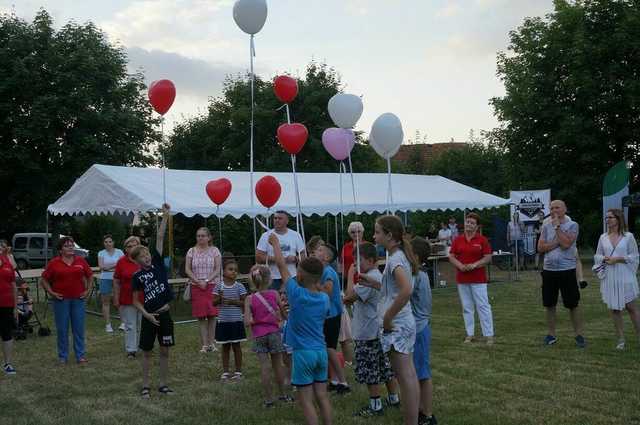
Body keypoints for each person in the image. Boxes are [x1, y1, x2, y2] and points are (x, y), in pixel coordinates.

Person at [269, 233, 333, 425]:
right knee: (322, 396)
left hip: (303, 354)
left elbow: (281, 265)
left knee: (305, 400)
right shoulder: (324, 299)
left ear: (301, 275)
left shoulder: (296, 294)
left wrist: (275, 244)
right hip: (321, 352)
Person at [343, 242, 399, 418]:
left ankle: (375, 405)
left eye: (357, 260)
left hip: (367, 333)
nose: (355, 264)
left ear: (370, 260)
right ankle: (393, 398)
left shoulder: (370, 278)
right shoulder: (375, 276)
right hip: (377, 331)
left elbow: (349, 297)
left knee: (370, 370)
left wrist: (350, 275)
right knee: (385, 367)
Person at [373, 215, 420, 425]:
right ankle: (412, 419)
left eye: (377, 232)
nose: (374, 236)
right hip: (403, 322)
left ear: (389, 235)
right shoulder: (397, 256)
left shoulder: (394, 260)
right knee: (408, 374)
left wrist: (388, 317)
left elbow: (406, 290)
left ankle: (411, 421)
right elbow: (393, 290)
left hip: (397, 324)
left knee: (405, 376)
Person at [131, 204, 175, 397]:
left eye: (147, 254)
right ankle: (146, 386)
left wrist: (165, 217)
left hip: (165, 315)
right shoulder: (137, 276)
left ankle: (163, 384)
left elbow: (159, 237)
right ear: (137, 260)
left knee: (165, 351)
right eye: (142, 256)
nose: (146, 257)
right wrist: (146, 315)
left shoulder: (157, 264)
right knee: (147, 352)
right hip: (150, 318)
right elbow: (135, 301)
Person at [537, 200, 585, 348]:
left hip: (567, 270)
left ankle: (578, 335)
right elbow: (540, 247)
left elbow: (566, 245)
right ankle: (551, 335)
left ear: (565, 209)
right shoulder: (545, 226)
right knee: (549, 304)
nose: (554, 210)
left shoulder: (573, 225)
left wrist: (557, 227)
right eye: (551, 208)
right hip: (549, 271)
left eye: (557, 207)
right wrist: (555, 243)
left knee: (572, 304)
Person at [244, 264, 294, 407]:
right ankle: (283, 395)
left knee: (264, 367)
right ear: (269, 280)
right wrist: (279, 317)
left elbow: (247, 321)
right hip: (274, 333)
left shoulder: (249, 299)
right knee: (278, 365)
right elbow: (284, 315)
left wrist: (256, 320)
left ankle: (268, 399)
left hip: (258, 335)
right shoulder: (275, 294)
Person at [40, 236, 94, 364]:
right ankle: (63, 356)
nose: (70, 247)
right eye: (66, 245)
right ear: (60, 250)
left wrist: (88, 290)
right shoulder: (54, 263)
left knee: (78, 328)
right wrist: (51, 292)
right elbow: (44, 279)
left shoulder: (81, 261)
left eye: (71, 245)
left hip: (78, 299)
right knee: (62, 329)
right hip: (61, 300)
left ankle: (80, 355)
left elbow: (90, 275)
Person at [594, 209, 640, 349]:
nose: (608, 220)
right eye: (606, 218)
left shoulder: (628, 236)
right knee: (615, 309)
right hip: (610, 276)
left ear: (618, 219)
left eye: (610, 217)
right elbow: (597, 256)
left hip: (625, 274)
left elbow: (635, 256)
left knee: (631, 307)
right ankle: (620, 339)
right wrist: (605, 259)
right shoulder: (603, 237)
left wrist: (619, 259)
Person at [448, 213, 495, 344]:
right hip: (462, 278)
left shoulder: (482, 240)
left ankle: (489, 335)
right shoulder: (458, 239)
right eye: (467, 222)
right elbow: (451, 256)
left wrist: (474, 265)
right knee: (467, 307)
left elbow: (487, 257)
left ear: (477, 226)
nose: (469, 225)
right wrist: (460, 266)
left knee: (483, 306)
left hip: (478, 279)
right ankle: (470, 334)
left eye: (472, 223)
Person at [314, 242, 350, 395]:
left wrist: (313, 284)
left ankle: (343, 382)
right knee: (327, 348)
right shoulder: (322, 270)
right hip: (326, 315)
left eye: (320, 250)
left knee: (329, 349)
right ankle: (334, 380)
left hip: (332, 315)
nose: (316, 251)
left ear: (327, 257)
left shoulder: (328, 271)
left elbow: (327, 291)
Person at [410, 238, 437, 425]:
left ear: (416, 257)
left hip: (419, 329)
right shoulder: (419, 275)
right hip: (418, 328)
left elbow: (402, 294)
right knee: (416, 373)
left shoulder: (417, 276)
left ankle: (427, 414)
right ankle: (420, 409)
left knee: (423, 374)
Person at [185, 227, 221, 353]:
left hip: (211, 285)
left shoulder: (215, 251)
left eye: (203, 236)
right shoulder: (191, 251)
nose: (200, 238)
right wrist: (197, 281)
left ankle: (212, 344)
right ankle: (204, 345)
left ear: (209, 237)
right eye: (198, 236)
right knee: (201, 317)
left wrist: (206, 281)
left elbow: (217, 269)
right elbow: (187, 269)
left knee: (212, 316)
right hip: (196, 286)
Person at [213, 256, 247, 381]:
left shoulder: (240, 286)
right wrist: (219, 299)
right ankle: (226, 372)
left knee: (236, 346)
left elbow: (245, 303)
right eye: (230, 269)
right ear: (224, 271)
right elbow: (213, 303)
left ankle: (238, 371)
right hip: (223, 321)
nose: (233, 272)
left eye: (235, 270)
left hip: (236, 321)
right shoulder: (218, 287)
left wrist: (233, 302)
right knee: (225, 347)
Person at [256, 211, 305, 290]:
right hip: (271, 278)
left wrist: (296, 258)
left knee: (291, 301)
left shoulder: (295, 235)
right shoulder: (266, 235)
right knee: (273, 301)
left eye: (280, 218)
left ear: (287, 221)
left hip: (291, 276)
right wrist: (283, 260)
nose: (277, 220)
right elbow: (259, 257)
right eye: (275, 218)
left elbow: (303, 254)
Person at [113, 236, 142, 358]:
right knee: (130, 325)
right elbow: (116, 280)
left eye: (134, 245)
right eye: (129, 246)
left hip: (144, 298)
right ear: (125, 249)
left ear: (139, 246)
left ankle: (144, 346)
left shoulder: (144, 259)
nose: (132, 248)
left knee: (143, 324)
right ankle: (131, 350)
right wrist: (116, 296)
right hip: (127, 297)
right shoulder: (121, 262)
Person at [97, 234, 124, 333]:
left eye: (110, 241)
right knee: (105, 302)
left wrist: (109, 266)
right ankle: (108, 325)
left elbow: (122, 265)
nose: (108, 244)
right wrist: (115, 265)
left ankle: (123, 322)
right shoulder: (101, 253)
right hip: (105, 278)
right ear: (103, 243)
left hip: (117, 278)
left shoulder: (119, 252)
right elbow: (101, 267)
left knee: (120, 300)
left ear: (113, 242)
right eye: (106, 242)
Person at [0, 240, 17, 374]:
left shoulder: (8, 262)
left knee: (7, 333)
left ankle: (7, 364)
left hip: (6, 303)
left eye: (2, 247)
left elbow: (13, 285)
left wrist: (15, 306)